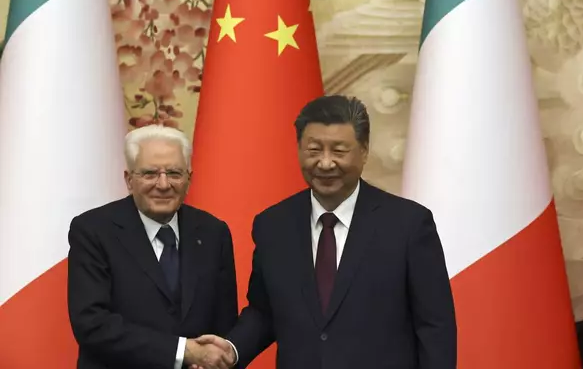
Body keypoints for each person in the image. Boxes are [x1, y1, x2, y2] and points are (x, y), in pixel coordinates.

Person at [195, 95, 457, 369]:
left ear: (364, 150)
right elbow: (264, 311)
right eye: (314, 150)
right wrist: (230, 350)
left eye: (339, 151)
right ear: (299, 149)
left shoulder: (408, 225)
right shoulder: (273, 225)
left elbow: (434, 327)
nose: (325, 163)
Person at [67, 125, 239, 369]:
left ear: (189, 179)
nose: (163, 184)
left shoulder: (213, 232)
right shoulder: (93, 230)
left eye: (174, 173)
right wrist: (183, 352)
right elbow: (92, 324)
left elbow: (224, 324)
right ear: (129, 180)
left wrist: (213, 359)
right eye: (149, 174)